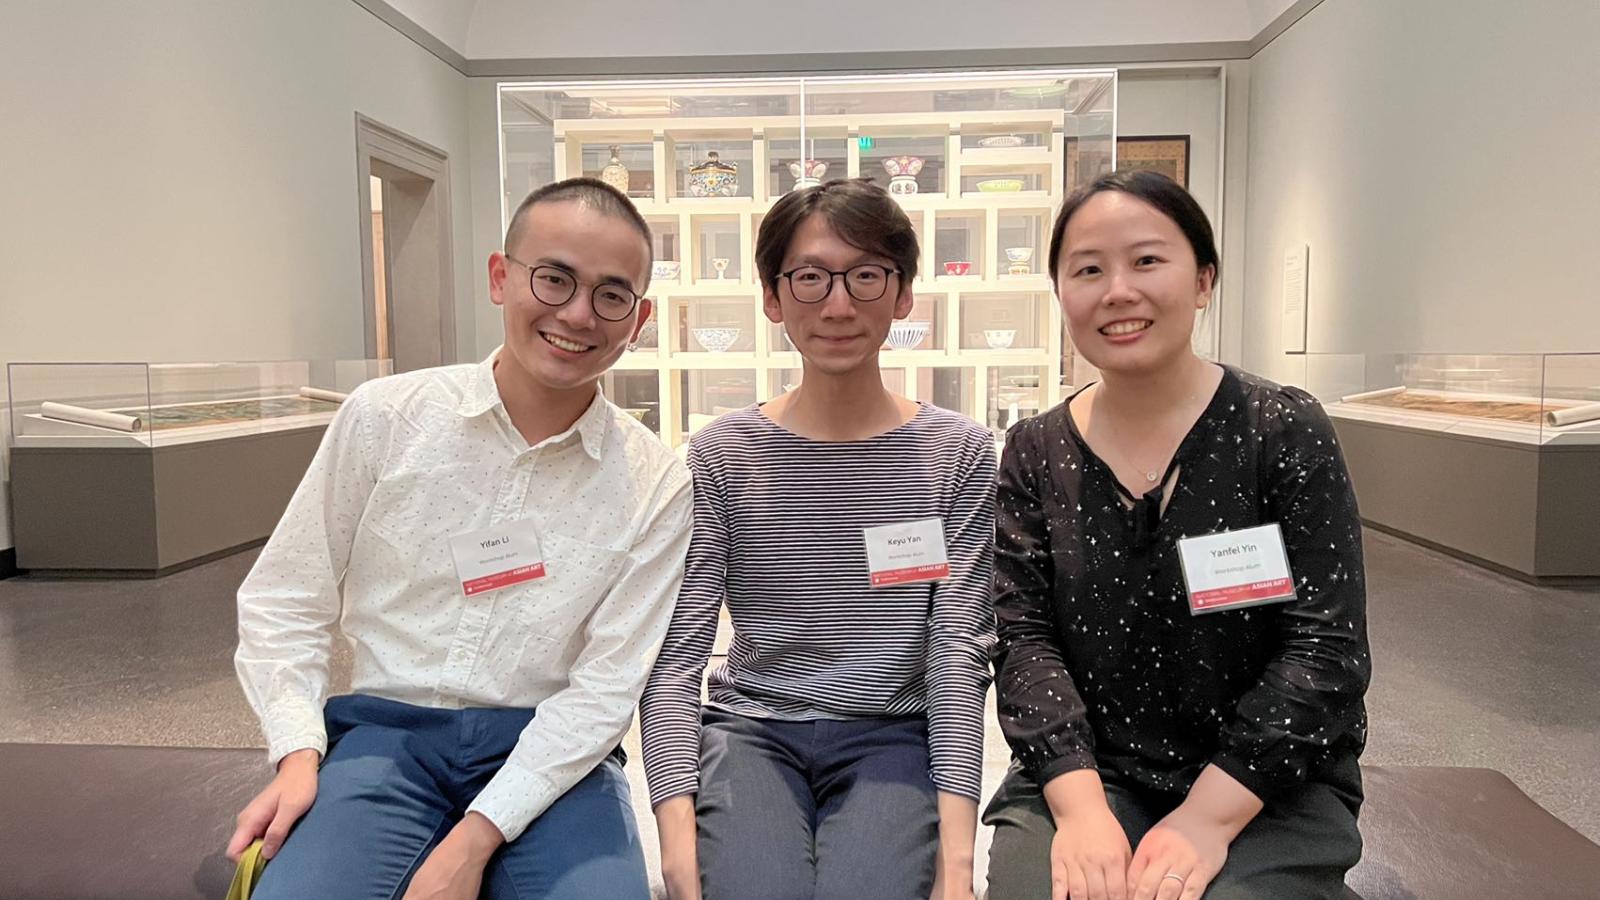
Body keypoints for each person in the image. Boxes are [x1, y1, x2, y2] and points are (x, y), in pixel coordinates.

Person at [228, 177, 692, 900]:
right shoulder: (387, 418)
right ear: (501, 278)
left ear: (639, 319)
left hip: (552, 752)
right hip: (386, 736)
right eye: (555, 278)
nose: (578, 313)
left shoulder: (656, 482)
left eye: (611, 294)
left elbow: (607, 688)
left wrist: (471, 844)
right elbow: (286, 596)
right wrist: (296, 752)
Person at [983, 169, 1370, 900]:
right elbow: (1022, 637)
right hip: (1089, 772)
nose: (1117, 291)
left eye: (1147, 260)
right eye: (1088, 270)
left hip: (1266, 779)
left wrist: (1208, 819)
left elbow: (1328, 647)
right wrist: (1082, 806)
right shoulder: (1035, 450)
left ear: (1203, 279)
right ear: (1062, 294)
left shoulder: (1280, 429)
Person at [639, 178, 996, 900]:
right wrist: (677, 846)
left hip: (891, 735)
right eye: (810, 278)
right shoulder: (722, 454)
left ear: (902, 296)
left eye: (866, 275)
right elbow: (676, 656)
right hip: (749, 732)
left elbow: (958, 655)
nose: (838, 304)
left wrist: (959, 866)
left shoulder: (957, 454)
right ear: (773, 298)